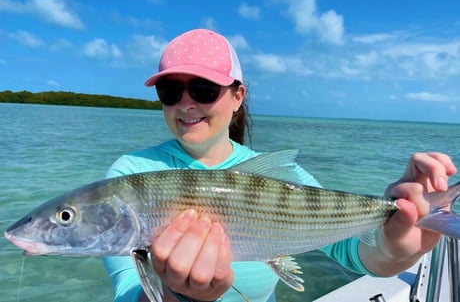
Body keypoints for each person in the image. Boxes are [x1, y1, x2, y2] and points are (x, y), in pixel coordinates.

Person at [103, 28, 458, 302]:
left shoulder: (278, 177)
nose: (184, 104)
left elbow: (360, 256)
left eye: (203, 90)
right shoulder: (130, 174)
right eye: (169, 91)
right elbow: (128, 290)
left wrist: (397, 245)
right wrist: (178, 296)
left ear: (237, 96)